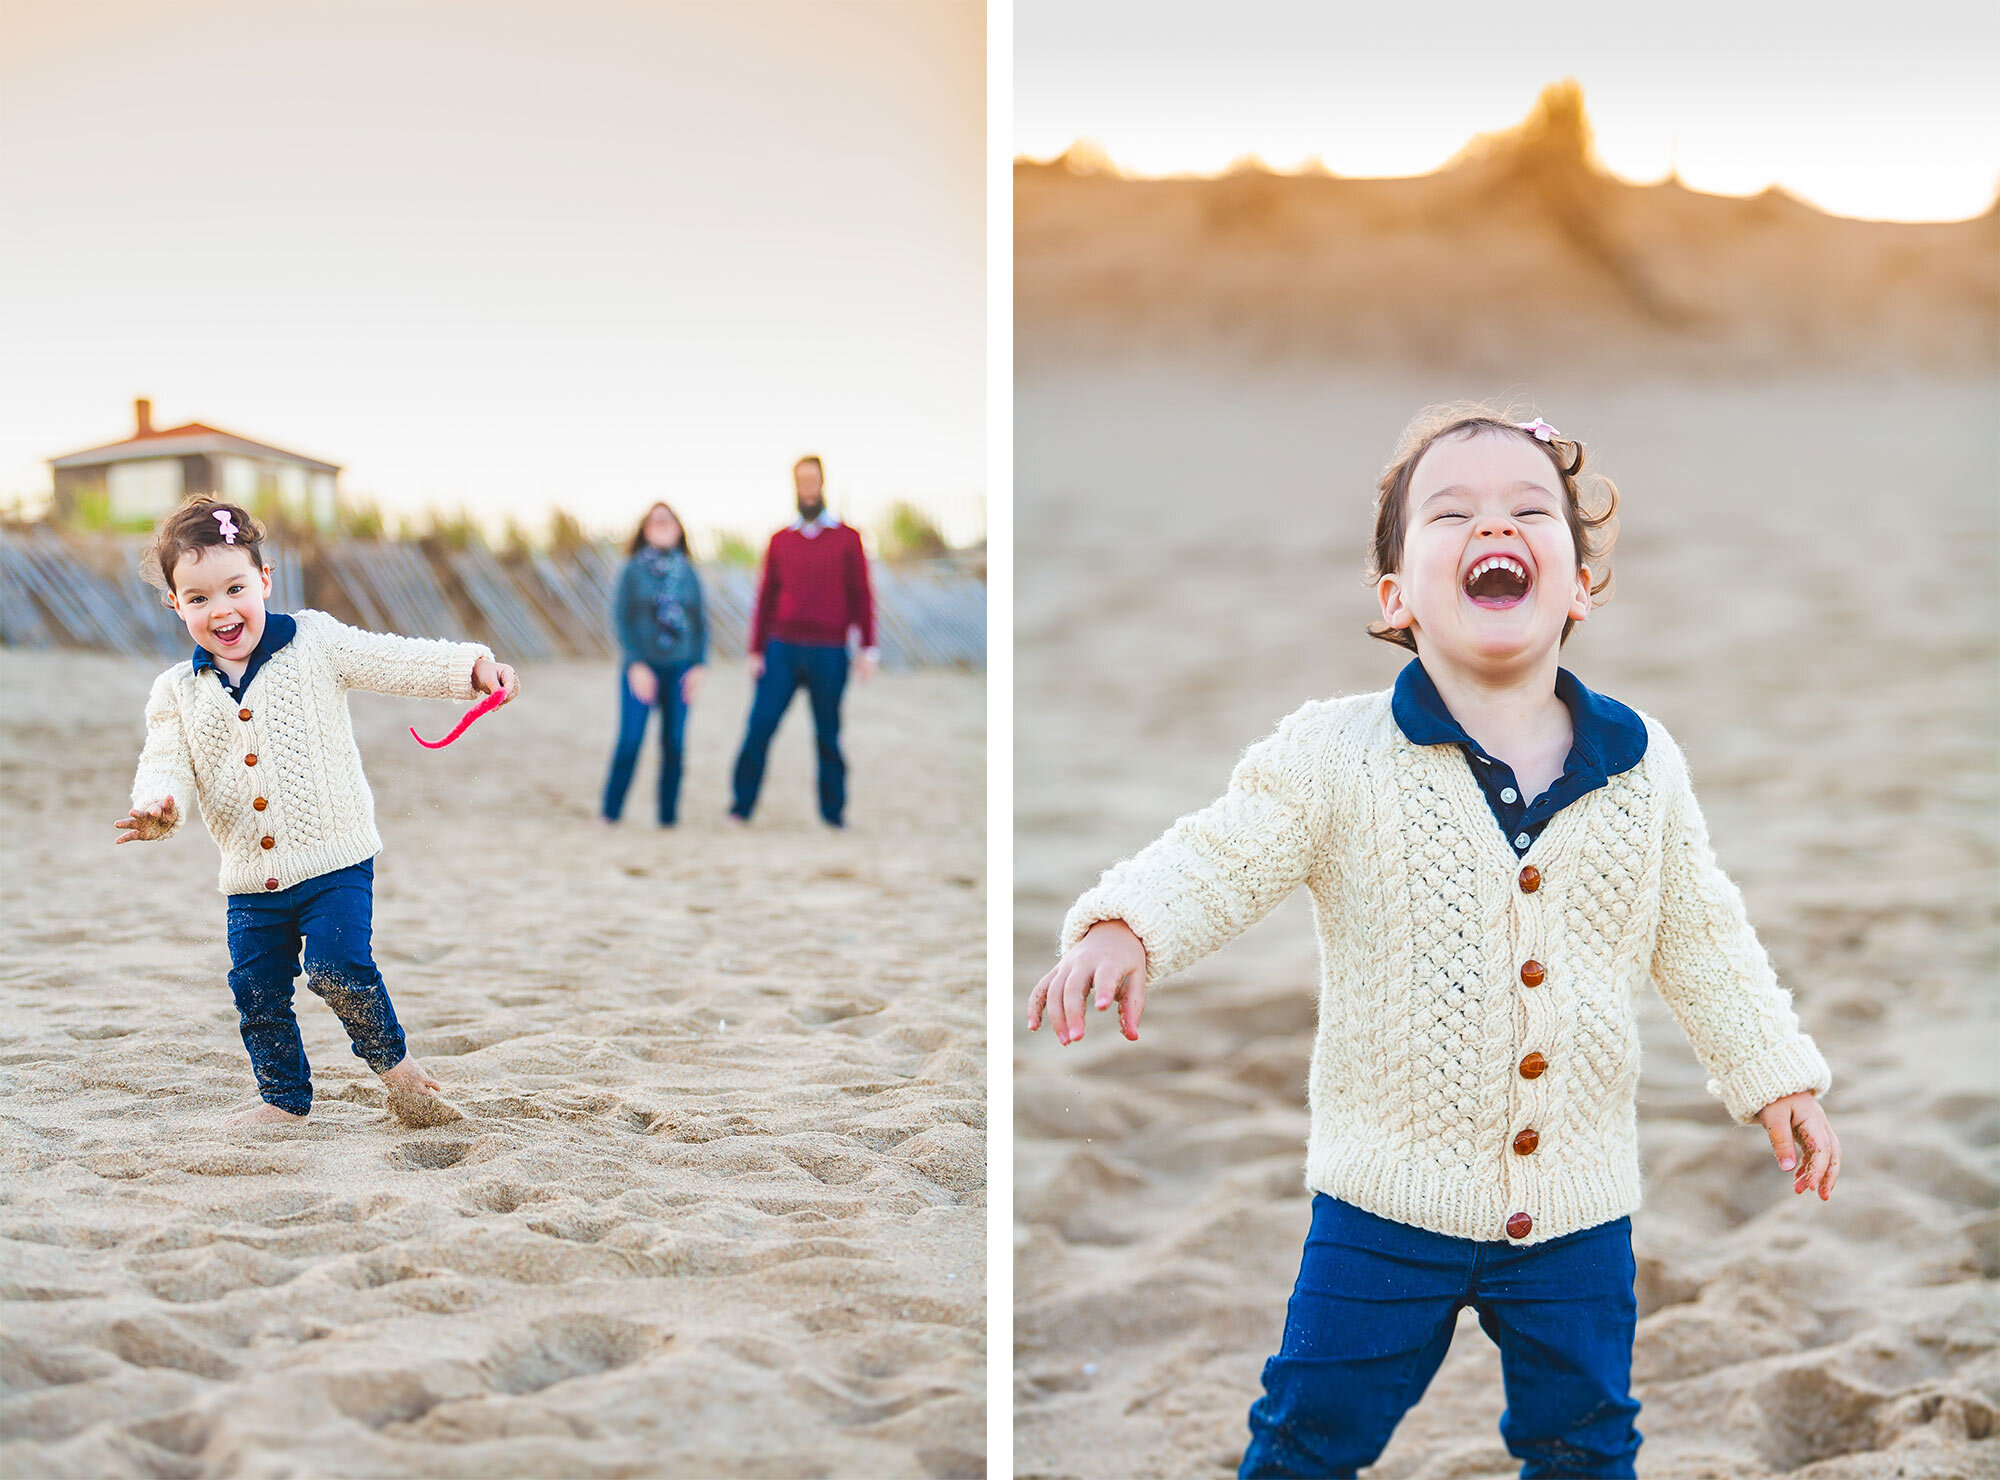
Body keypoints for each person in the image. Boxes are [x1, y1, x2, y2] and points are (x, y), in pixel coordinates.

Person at [1025, 406, 1841, 1480]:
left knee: (1585, 1440)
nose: (1489, 524)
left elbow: (1698, 933)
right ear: (1395, 595)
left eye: (1526, 510)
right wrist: (1127, 921)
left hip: (1574, 1211)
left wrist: (1773, 1074)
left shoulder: (1639, 767)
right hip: (1382, 1203)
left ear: (1579, 585)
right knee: (1309, 1431)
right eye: (1449, 512)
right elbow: (1221, 854)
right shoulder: (1334, 755)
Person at [118, 497, 518, 1128]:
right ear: (174, 603)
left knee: (338, 969)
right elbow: (165, 761)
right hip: (251, 879)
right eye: (197, 599)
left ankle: (399, 1073)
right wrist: (157, 807)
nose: (221, 609)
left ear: (265, 580)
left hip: (335, 856)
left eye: (234, 588)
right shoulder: (176, 689)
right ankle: (282, 1101)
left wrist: (469, 666)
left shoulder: (314, 642)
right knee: (257, 993)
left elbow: (393, 658)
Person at [729, 455, 878, 827]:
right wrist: (755, 649)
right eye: (801, 481)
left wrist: (868, 649)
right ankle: (740, 808)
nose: (807, 487)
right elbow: (766, 596)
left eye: (812, 480)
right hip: (782, 647)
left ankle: (833, 815)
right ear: (795, 486)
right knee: (760, 726)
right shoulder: (781, 540)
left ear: (822, 483)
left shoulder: (848, 538)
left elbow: (862, 595)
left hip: (830, 650)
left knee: (828, 734)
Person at [602, 500, 707, 826]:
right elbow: (621, 619)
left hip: (680, 668)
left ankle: (668, 819)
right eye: (655, 521)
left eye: (668, 521)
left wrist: (699, 666)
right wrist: (635, 664)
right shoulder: (632, 570)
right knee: (630, 740)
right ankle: (610, 814)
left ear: (679, 530)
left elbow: (701, 622)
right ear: (645, 530)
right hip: (642, 668)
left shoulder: (689, 572)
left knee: (674, 744)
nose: (662, 526)